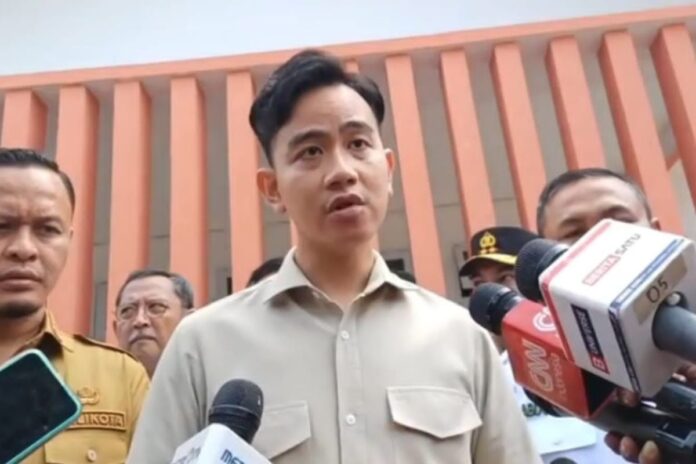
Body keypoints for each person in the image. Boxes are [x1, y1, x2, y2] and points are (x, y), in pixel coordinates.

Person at [127, 49, 539, 463]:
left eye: (358, 144)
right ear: (272, 189)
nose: (342, 171)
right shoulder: (202, 345)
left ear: (388, 169)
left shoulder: (461, 338)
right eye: (311, 151)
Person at [537, 167, 696, 464]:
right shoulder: (540, 372)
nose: (600, 243)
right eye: (574, 233)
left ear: (656, 231)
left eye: (620, 222)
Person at [0, 148, 149, 463]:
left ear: (68, 240)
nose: (23, 249)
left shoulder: (120, 376)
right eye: (2, 226)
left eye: (47, 230)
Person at [463, 226, 623, 464]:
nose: (492, 294)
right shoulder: (488, 380)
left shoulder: (602, 353)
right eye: (479, 283)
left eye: (505, 278)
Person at [112, 269, 195, 377]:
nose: (140, 321)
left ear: (189, 321)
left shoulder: (210, 383)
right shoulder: (95, 384)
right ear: (116, 329)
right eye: (127, 310)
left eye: (156, 307)